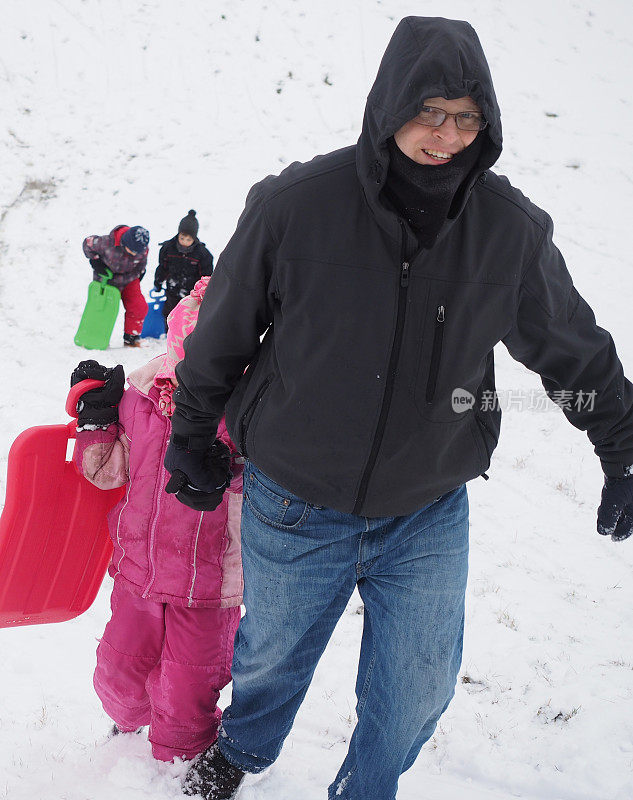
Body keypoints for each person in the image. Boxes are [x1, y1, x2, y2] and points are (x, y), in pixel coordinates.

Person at [164, 17, 633, 800]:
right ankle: (242, 752)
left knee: (417, 686)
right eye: (427, 111)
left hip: (426, 505)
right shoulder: (296, 205)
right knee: (270, 656)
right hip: (294, 499)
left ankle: (365, 789)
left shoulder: (506, 232)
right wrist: (189, 434)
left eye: (464, 116)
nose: (445, 135)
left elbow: (568, 346)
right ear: (388, 107)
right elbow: (224, 331)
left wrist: (619, 446)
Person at [70, 277, 243, 762]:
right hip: (139, 573)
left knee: (189, 687)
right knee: (119, 673)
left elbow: (273, 488)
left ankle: (177, 766)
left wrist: (236, 470)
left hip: (210, 584)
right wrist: (97, 421)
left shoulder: (250, 412)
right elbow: (104, 474)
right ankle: (126, 730)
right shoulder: (141, 397)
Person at [82, 224, 150, 347]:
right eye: (132, 250)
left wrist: (137, 275)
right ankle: (96, 336)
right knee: (104, 309)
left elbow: (141, 266)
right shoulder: (106, 242)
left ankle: (132, 338)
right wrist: (95, 261)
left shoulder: (142, 249)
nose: (135, 254)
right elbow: (87, 243)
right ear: (125, 242)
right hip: (106, 279)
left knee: (139, 306)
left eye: (137, 252)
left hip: (129, 279)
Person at [153, 210, 214, 332]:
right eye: (182, 238)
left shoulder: (202, 254)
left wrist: (205, 291)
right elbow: (163, 267)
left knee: (188, 316)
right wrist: (158, 282)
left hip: (191, 292)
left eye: (188, 239)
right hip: (173, 288)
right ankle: (169, 333)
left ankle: (187, 335)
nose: (185, 242)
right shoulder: (168, 248)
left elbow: (206, 275)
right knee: (170, 311)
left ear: (194, 238)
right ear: (178, 234)